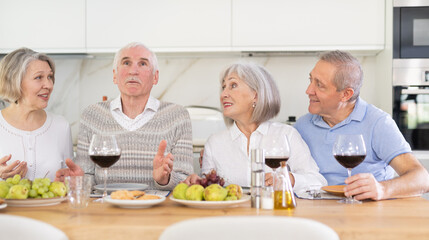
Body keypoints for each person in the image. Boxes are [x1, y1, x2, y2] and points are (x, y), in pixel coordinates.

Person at [295, 50, 429, 200]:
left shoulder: (378, 123)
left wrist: (382, 189)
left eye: (319, 85)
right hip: (316, 214)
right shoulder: (302, 126)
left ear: (346, 94)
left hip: (367, 214)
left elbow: (422, 179)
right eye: (310, 80)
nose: (308, 91)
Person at [183, 63, 327, 193]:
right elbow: (210, 190)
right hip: (231, 218)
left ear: (256, 95)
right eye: (223, 87)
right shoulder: (214, 143)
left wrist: (291, 179)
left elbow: (318, 181)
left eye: (233, 85)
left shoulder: (286, 135)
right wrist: (199, 183)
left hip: (276, 217)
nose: (224, 94)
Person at [75, 42, 193, 190]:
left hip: (157, 210)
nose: (133, 71)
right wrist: (77, 180)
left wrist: (164, 179)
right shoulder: (92, 115)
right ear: (115, 75)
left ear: (155, 77)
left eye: (143, 64)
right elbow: (85, 177)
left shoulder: (177, 116)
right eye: (126, 63)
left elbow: (185, 181)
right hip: (105, 209)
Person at [0, 48, 81, 188]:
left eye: (50, 77)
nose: (49, 85)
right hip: (5, 211)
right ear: (15, 82)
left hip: (51, 210)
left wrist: (69, 182)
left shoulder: (61, 126)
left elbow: (70, 183)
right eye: (39, 77)